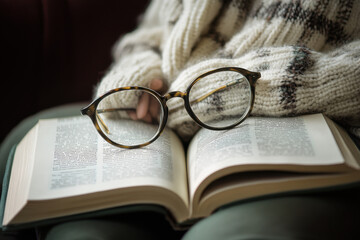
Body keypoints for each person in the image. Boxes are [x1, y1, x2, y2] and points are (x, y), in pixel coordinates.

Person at [3, 0, 360, 239]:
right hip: (167, 113)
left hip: (312, 129)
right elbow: (149, 32)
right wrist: (137, 72)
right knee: (31, 149)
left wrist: (239, 86)